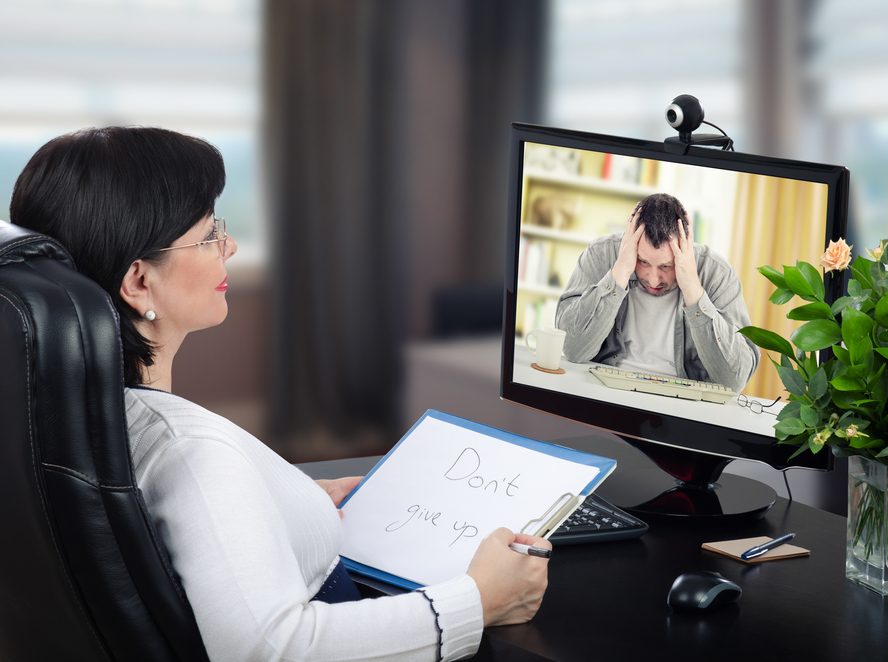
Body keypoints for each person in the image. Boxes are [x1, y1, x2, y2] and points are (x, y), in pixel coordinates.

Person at [9, 127, 550, 662]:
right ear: (139, 282)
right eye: (208, 233)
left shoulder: (56, 419)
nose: (229, 244)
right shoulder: (191, 451)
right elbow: (270, 649)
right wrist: (478, 600)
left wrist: (285, 501)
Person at [555, 192, 759, 394]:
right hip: (604, 391)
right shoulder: (601, 253)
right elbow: (573, 349)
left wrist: (693, 290)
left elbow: (735, 380)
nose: (653, 280)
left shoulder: (717, 272)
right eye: (643, 262)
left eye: (666, 266)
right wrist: (618, 275)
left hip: (680, 406)